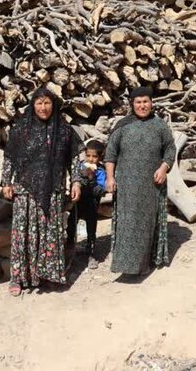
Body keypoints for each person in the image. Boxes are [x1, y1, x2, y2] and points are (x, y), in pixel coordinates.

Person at [2, 87, 82, 296]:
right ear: (33, 105)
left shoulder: (63, 130)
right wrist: (6, 182)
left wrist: (76, 182)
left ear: (53, 105)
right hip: (25, 189)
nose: (43, 107)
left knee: (50, 235)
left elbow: (73, 159)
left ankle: (48, 276)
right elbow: (10, 157)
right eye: (39, 103)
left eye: (47, 103)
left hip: (53, 189)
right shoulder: (22, 129)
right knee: (23, 235)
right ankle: (19, 278)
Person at [104, 87, 176, 276]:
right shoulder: (122, 126)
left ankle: (145, 264)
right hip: (126, 185)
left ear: (151, 103)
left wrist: (163, 168)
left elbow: (170, 149)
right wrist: (110, 178)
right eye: (138, 102)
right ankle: (125, 265)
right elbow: (110, 154)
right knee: (127, 224)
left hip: (151, 184)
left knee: (147, 223)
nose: (142, 105)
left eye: (145, 101)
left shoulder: (160, 126)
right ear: (132, 104)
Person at [66, 139, 106, 269]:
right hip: (77, 204)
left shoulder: (101, 171)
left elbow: (100, 191)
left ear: (100, 157)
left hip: (92, 205)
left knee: (91, 229)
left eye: (95, 156)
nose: (91, 159)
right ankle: (69, 249)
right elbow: (74, 180)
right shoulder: (80, 166)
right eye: (88, 155)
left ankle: (91, 253)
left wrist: (91, 179)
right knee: (71, 225)